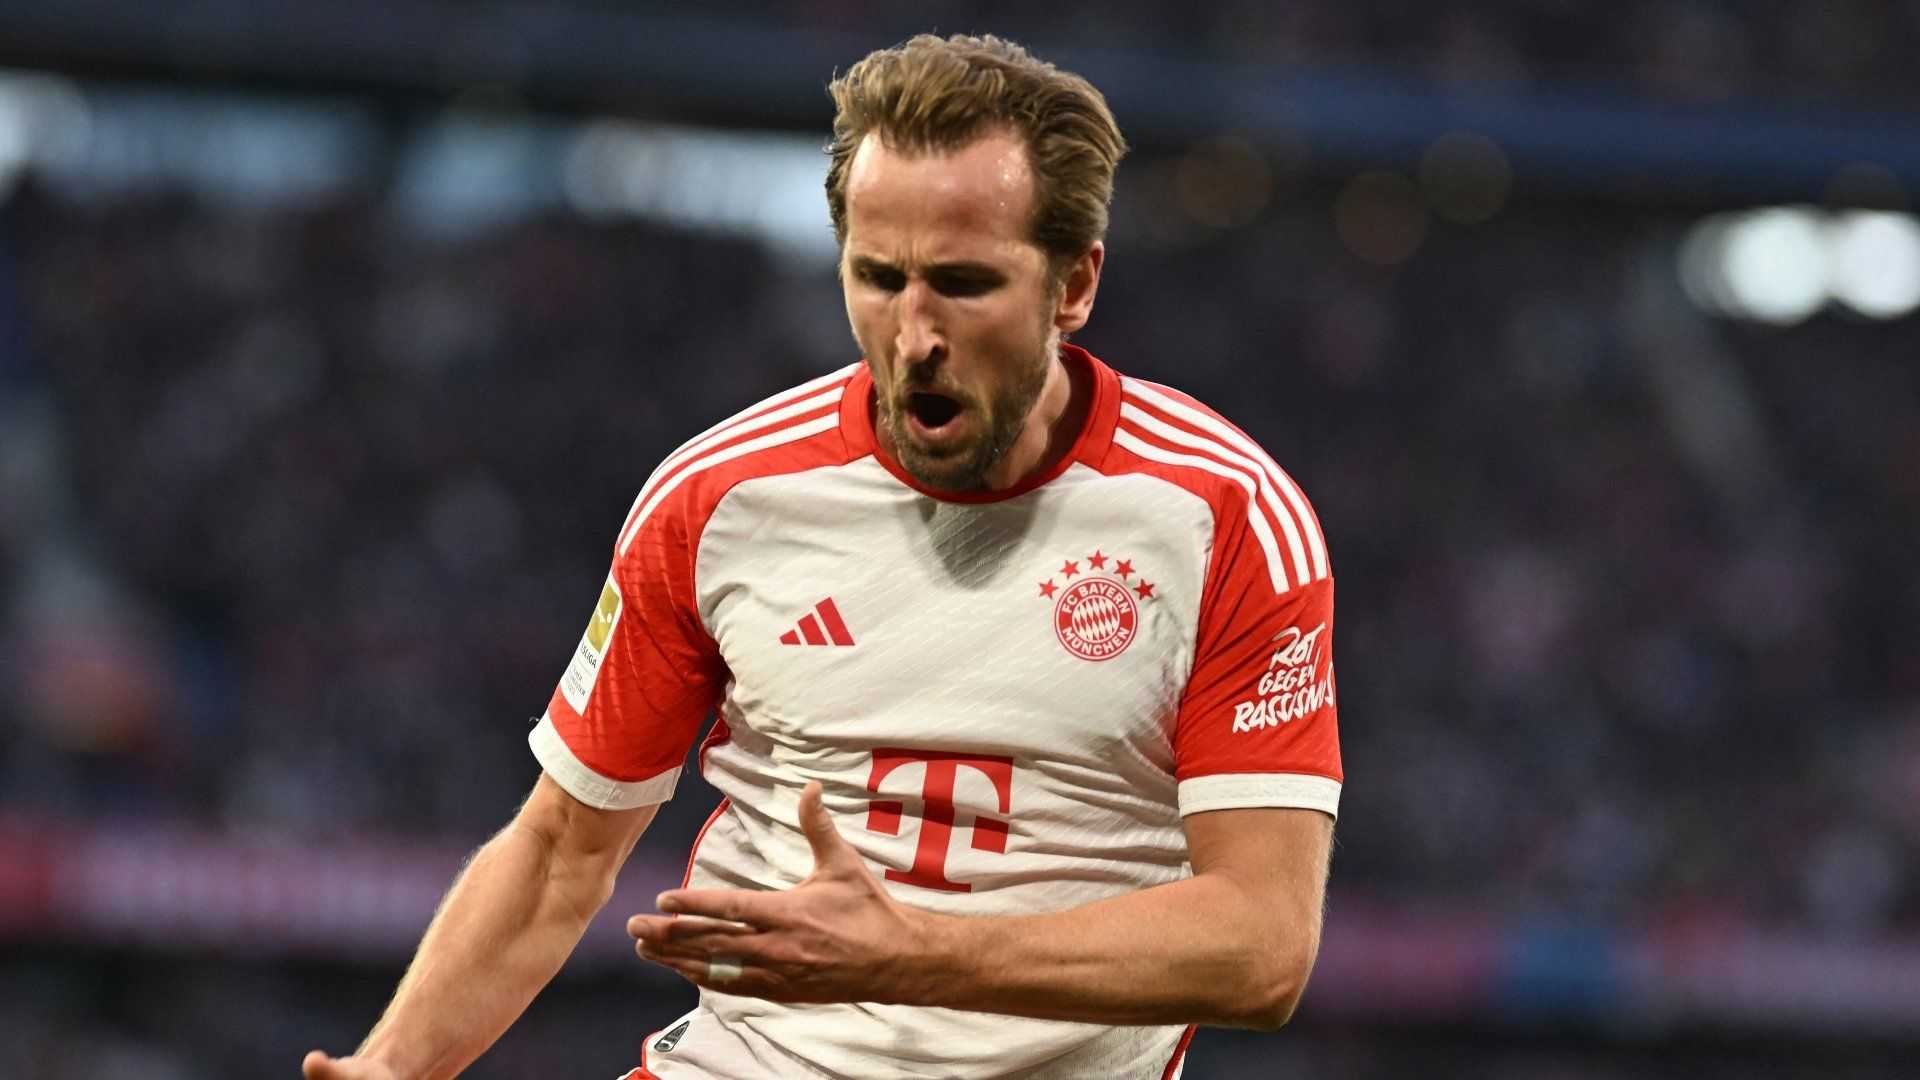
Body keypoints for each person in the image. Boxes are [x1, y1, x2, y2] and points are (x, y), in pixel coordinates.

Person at [303, 32, 1340, 1080]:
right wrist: (389, 1068)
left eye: (964, 283)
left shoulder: (1227, 519)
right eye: (878, 278)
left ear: (1073, 286)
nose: (914, 336)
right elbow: (558, 852)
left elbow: (1262, 947)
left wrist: (911, 958)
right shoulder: (717, 499)